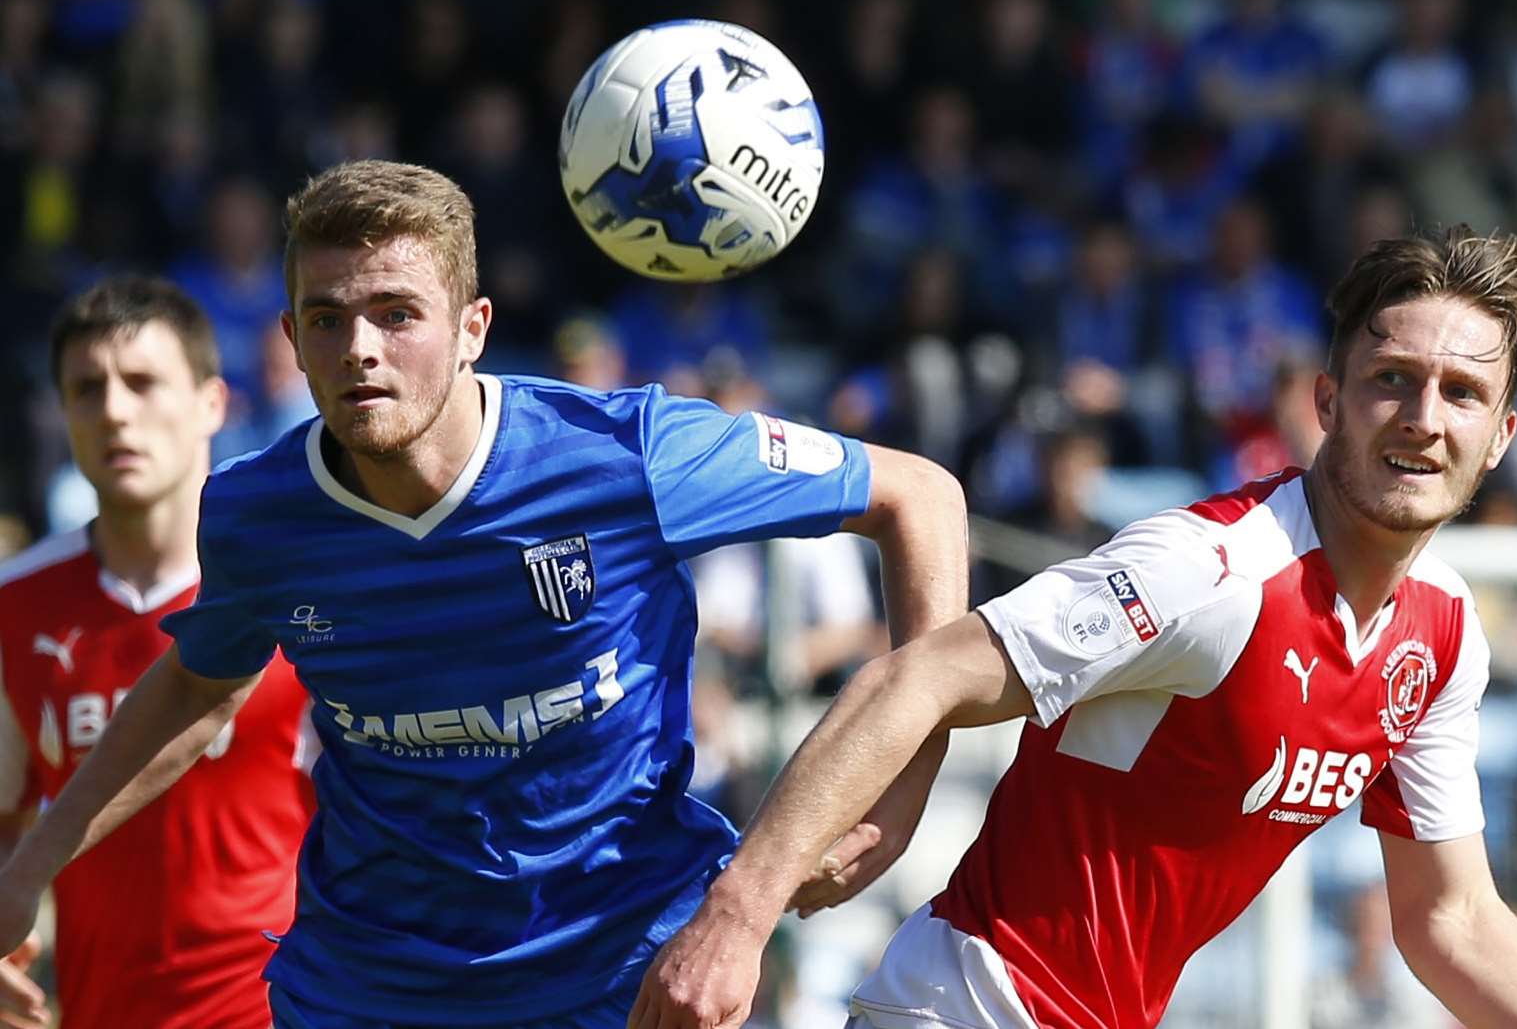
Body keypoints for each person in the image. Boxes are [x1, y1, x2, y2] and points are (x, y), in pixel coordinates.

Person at [0, 160, 968, 1028]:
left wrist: (910, 778)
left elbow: (920, 494)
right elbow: (195, 684)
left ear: (474, 329)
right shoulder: (259, 513)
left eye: (397, 312)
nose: (360, 348)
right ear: (290, 337)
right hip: (366, 982)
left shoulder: (629, 453)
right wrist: (30, 865)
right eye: (329, 318)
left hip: (621, 969)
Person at [639, 226, 1517, 1029]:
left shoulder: (1446, 633)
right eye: (1393, 378)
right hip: (969, 1004)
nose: (1423, 418)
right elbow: (917, 675)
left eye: (1462, 392)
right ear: (1327, 404)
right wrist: (737, 917)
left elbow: (1449, 917)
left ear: (1501, 435)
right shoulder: (1206, 571)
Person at [0, 276, 314, 1029]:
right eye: (87, 388)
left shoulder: (300, 585)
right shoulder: (14, 606)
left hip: (287, 1009)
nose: (113, 410)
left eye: (142, 383)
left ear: (212, 402)